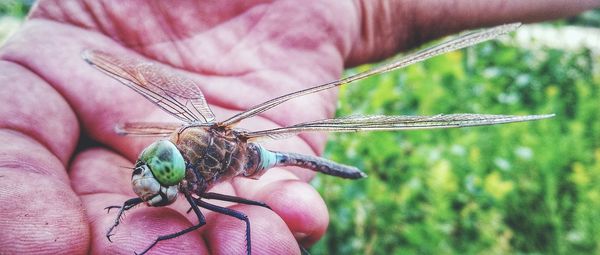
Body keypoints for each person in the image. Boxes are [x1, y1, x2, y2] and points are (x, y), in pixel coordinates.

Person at [0, 1, 597, 254]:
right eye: (153, 167)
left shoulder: (203, 172)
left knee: (234, 217)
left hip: (256, 151)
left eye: (158, 171)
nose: (147, 177)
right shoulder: (174, 157)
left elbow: (211, 212)